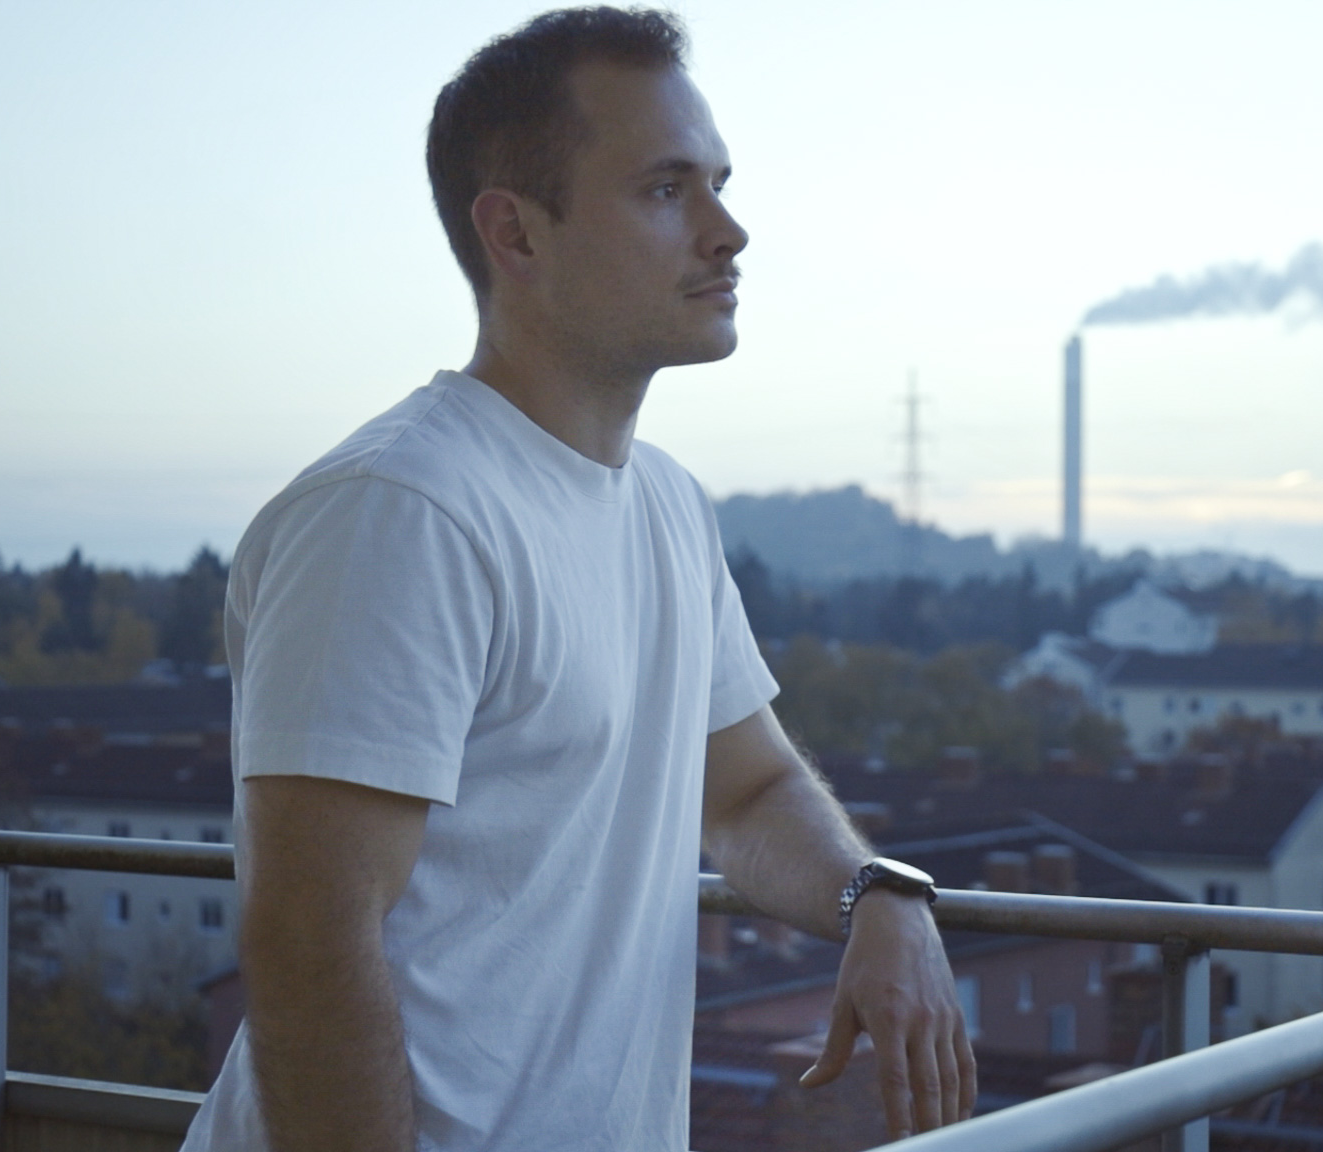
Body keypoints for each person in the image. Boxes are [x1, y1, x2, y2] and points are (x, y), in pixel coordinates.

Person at [178, 8, 976, 1151]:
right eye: (666, 190)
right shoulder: (403, 512)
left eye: (718, 182)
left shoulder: (664, 506)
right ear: (515, 234)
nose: (729, 230)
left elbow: (746, 792)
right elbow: (311, 941)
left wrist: (878, 897)